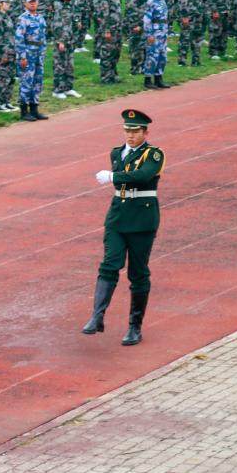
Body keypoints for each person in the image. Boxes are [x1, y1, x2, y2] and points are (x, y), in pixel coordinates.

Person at [83, 110, 164, 347]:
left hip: (142, 218)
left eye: (135, 131)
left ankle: (134, 327)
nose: (130, 135)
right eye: (127, 130)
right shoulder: (116, 153)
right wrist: (116, 177)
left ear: (145, 132)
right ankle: (97, 316)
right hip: (118, 216)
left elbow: (143, 176)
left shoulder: (154, 154)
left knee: (138, 273)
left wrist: (113, 176)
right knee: (109, 264)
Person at [15, 0, 48, 121]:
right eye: (31, 2)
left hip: (39, 53)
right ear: (25, 3)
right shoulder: (23, 18)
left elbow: (44, 36)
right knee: (26, 81)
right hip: (28, 54)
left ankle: (34, 109)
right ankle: (24, 111)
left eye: (35, 1)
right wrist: (22, 56)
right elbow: (19, 38)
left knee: (37, 81)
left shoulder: (40, 17)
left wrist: (43, 52)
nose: (33, 4)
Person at [142, 0, 172, 90]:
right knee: (152, 56)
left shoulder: (162, 1)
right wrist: (149, 34)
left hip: (162, 33)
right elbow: (146, 20)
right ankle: (148, 79)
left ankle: (159, 78)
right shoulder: (151, 1)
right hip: (154, 33)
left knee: (162, 56)